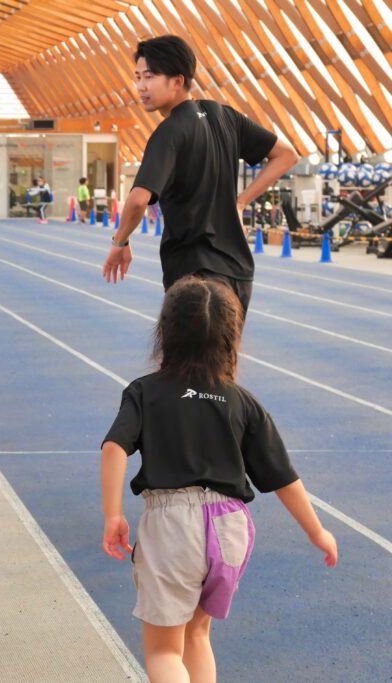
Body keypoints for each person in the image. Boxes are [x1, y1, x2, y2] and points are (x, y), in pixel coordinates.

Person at [100, 276, 338, 682]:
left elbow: (114, 448)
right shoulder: (241, 401)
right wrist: (317, 531)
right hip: (230, 528)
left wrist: (113, 515)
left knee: (163, 650)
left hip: (173, 527)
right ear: (231, 338)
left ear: (166, 332)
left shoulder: (145, 392)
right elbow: (282, 476)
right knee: (197, 634)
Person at [102, 35, 299, 314]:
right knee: (225, 358)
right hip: (238, 274)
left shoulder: (169, 132)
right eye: (137, 77)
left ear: (177, 81)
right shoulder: (227, 116)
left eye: (150, 76)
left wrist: (119, 242)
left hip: (191, 274)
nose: (141, 86)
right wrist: (240, 202)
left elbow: (137, 200)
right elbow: (287, 155)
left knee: (186, 358)